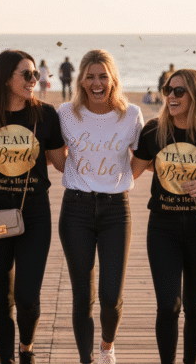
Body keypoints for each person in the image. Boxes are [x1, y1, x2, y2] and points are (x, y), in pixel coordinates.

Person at [0, 50, 66, 364]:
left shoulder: (46, 115)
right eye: (26, 74)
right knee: (1, 298)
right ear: (6, 78)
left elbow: (62, 163)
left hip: (34, 213)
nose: (34, 80)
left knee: (27, 298)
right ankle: (6, 360)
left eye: (35, 74)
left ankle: (26, 348)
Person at [131, 68, 196, 364]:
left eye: (179, 91)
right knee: (168, 305)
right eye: (168, 90)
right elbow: (132, 171)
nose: (171, 96)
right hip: (163, 226)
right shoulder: (154, 129)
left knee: (195, 305)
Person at [58, 49, 144, 364]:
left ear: (112, 80)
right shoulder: (66, 113)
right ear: (81, 79)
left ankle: (107, 346)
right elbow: (57, 159)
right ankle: (86, 360)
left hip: (116, 212)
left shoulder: (131, 114)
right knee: (83, 296)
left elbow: (141, 158)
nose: (97, 83)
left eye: (103, 76)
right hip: (76, 209)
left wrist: (119, 181)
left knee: (111, 297)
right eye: (91, 76)